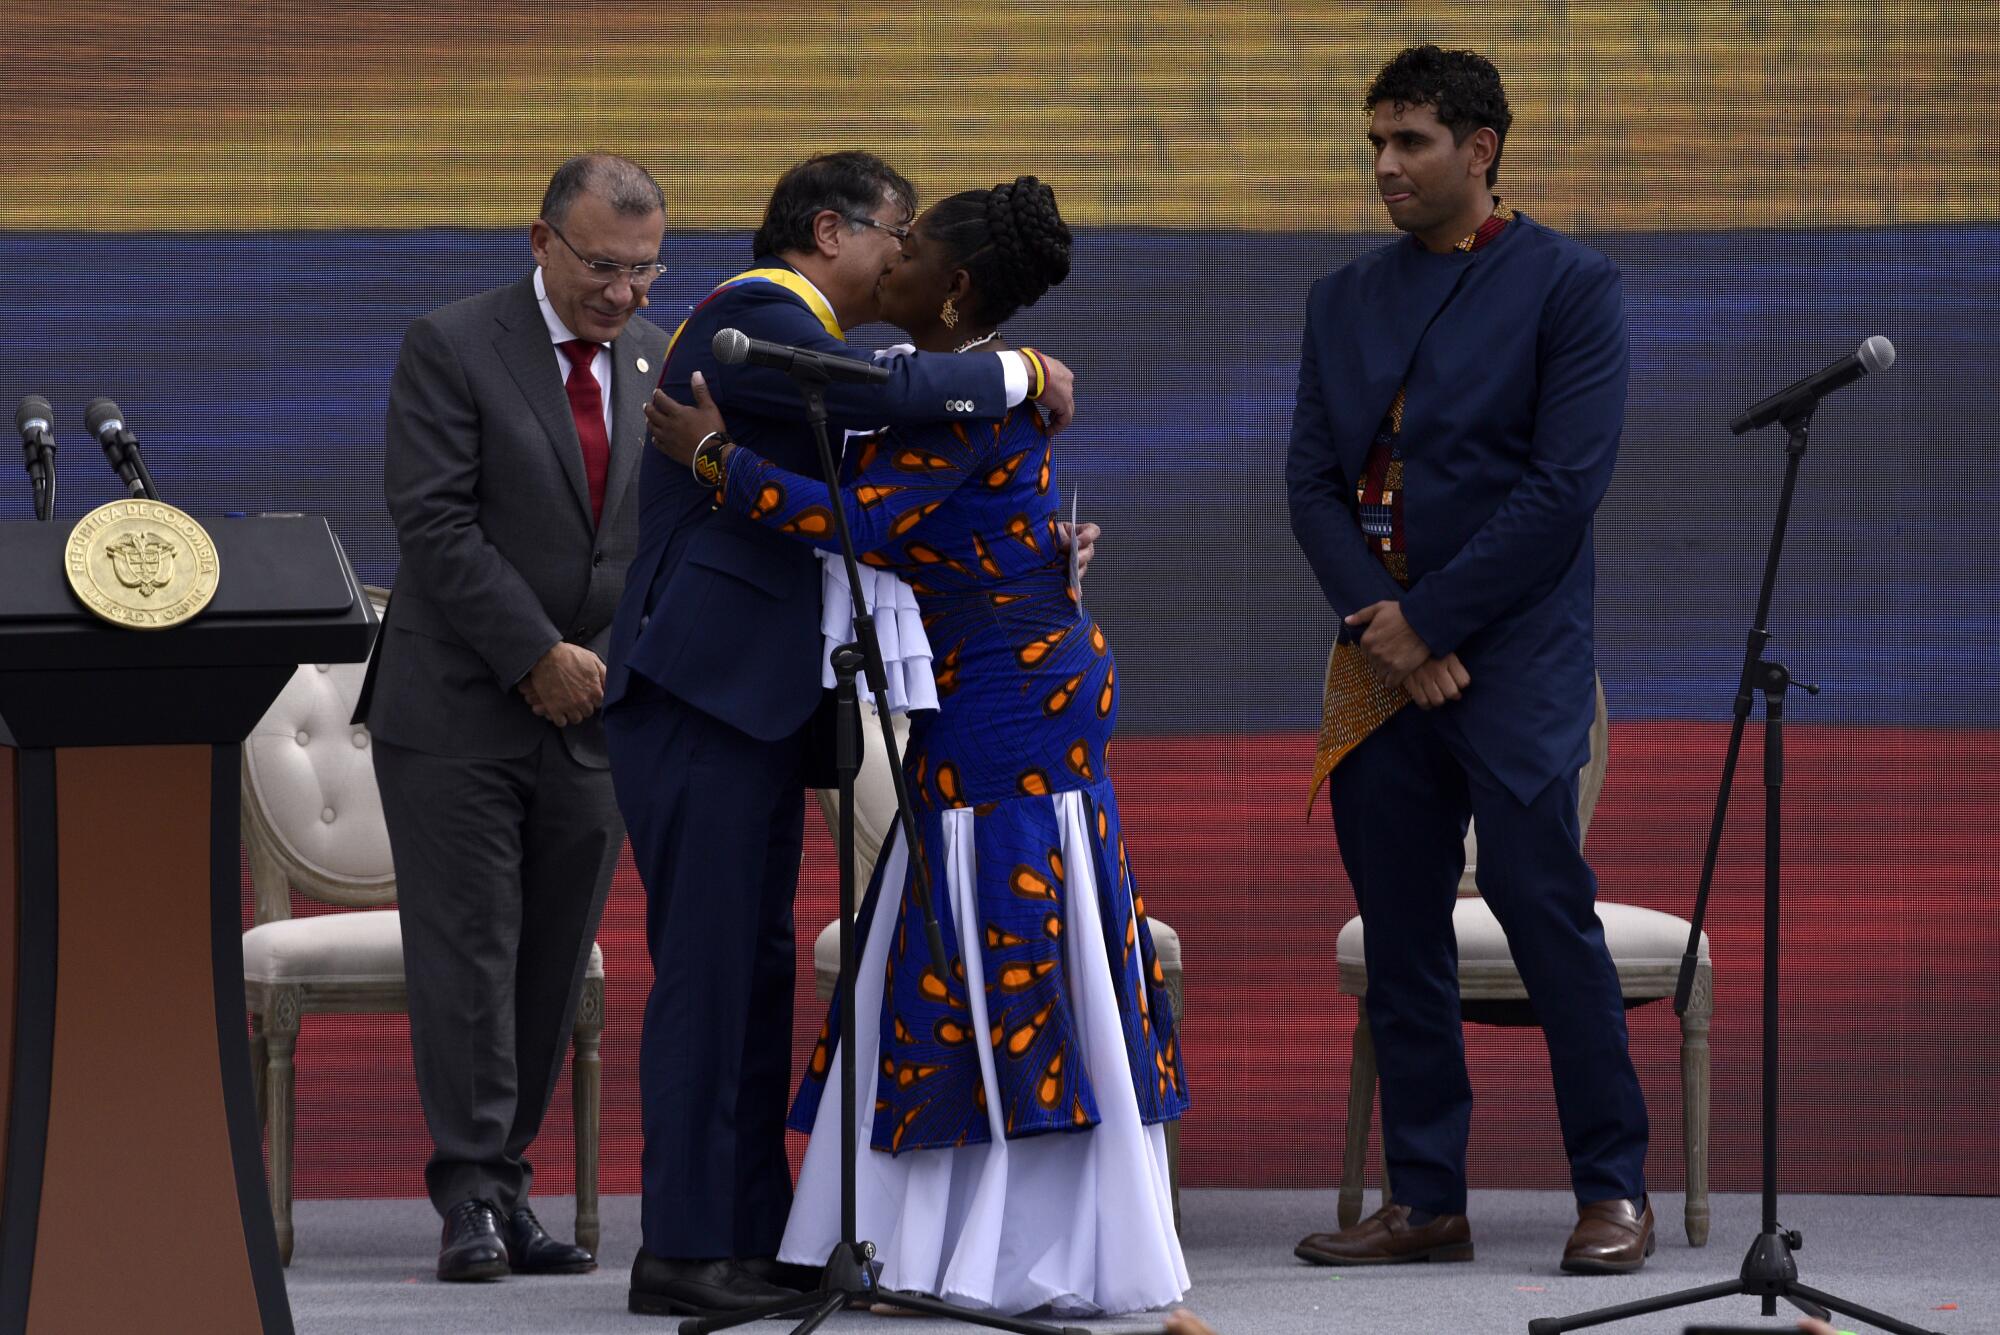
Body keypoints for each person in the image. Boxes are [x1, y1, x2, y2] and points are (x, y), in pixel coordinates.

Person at [647, 175, 1188, 1317]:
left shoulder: (953, 397)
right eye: (886, 236)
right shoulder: (952, 386)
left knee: (995, 937)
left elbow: (867, 522)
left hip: (1007, 701)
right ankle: (931, 1233)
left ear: (949, 287)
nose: (888, 264)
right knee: (956, 932)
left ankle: (999, 1245)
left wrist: (714, 464)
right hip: (1007, 688)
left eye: (911, 247)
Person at [1285, 46, 1652, 1273]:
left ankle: (1612, 1192)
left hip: (1514, 658)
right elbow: (1309, 487)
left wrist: (1428, 624)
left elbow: (1560, 492)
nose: (1384, 165)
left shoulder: (1567, 285)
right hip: (1377, 661)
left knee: (1547, 923)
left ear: (1478, 149)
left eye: (1410, 142)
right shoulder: (1340, 297)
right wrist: (1383, 628)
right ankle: (1424, 1200)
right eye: (1374, 142)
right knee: (1401, 937)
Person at [354, 153, 670, 1282]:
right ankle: (469, 1197)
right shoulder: (453, 345)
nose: (622, 292)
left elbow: (655, 541)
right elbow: (433, 526)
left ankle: (510, 1183)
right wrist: (535, 653)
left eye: (642, 270)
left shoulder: (654, 358)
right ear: (539, 243)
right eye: (601, 266)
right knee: (471, 954)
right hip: (456, 709)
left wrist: (602, 666)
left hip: (592, 714)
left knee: (547, 959)